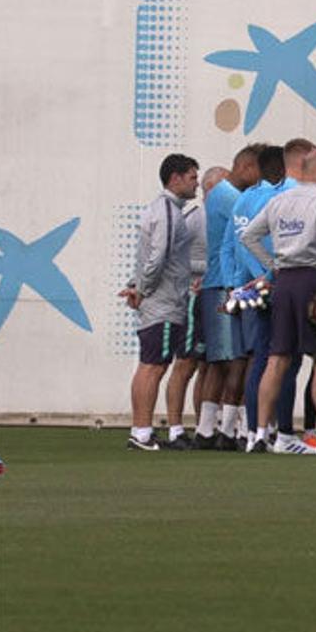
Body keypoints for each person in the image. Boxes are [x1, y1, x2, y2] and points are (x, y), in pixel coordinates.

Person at [241, 150, 316, 454]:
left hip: (284, 282)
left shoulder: (279, 200)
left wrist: (272, 265)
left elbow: (248, 236)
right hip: (314, 279)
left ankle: (258, 433)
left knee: (277, 357)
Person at [120, 153, 199, 450]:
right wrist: (142, 289)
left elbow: (148, 256)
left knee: (150, 365)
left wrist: (136, 286)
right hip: (163, 302)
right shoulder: (167, 210)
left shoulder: (162, 208)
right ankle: (141, 432)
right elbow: (159, 255)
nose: (197, 183)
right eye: (192, 177)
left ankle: (140, 430)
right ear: (175, 178)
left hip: (158, 300)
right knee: (153, 366)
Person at [189, 145, 260, 450]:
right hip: (225, 285)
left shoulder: (224, 195)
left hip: (220, 284)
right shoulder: (231, 197)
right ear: (245, 167)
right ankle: (226, 431)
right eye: (259, 171)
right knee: (235, 361)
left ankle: (209, 430)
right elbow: (246, 241)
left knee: (219, 362)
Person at [169, 166, 227, 443]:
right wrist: (204, 273)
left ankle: (204, 428)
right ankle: (175, 427)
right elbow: (174, 256)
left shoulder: (225, 214)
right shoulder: (194, 217)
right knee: (186, 363)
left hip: (215, 296)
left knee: (210, 364)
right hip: (194, 297)